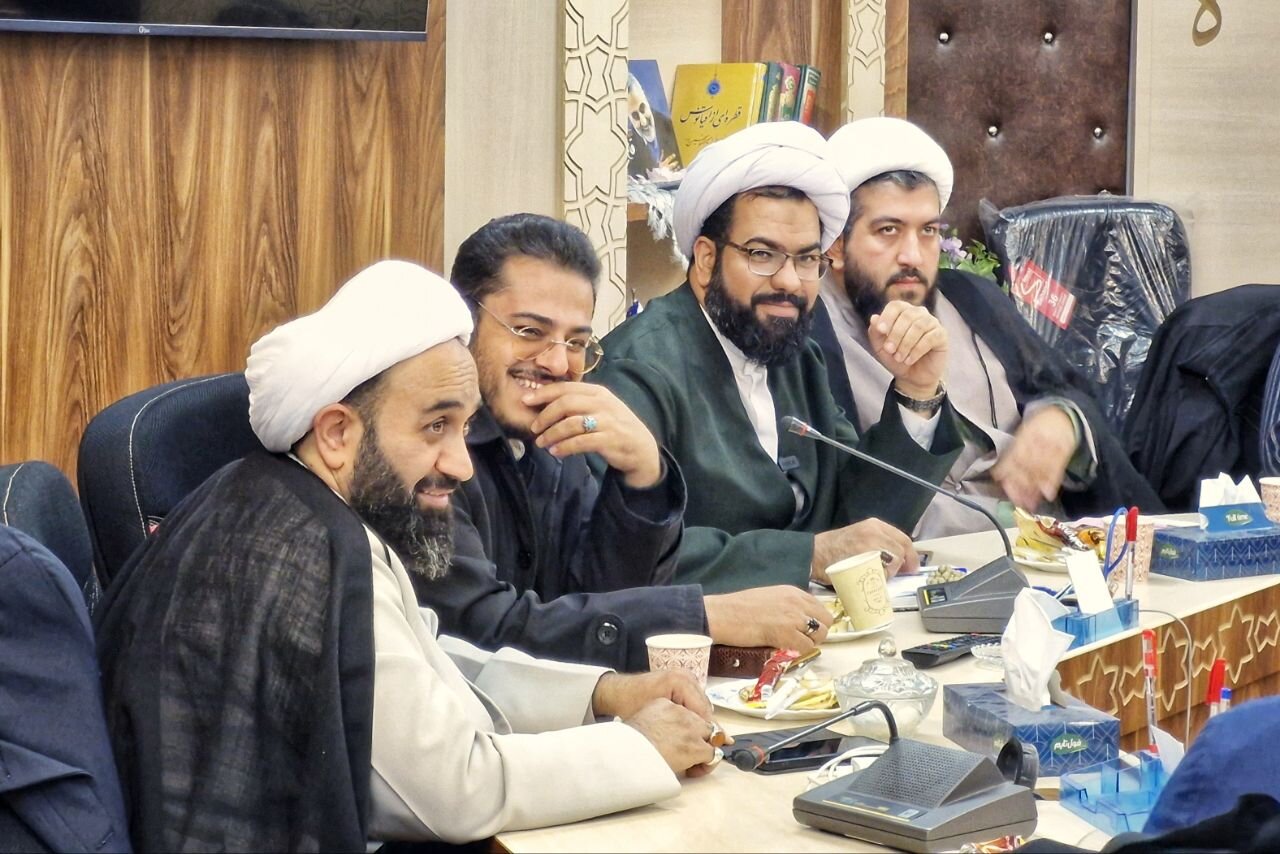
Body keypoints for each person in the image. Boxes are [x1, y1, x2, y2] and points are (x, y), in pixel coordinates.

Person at [94, 261, 724, 851]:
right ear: (337, 432)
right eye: (434, 427)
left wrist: (602, 694)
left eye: (463, 427)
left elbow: (427, 667)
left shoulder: (301, 505)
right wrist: (638, 748)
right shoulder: (307, 551)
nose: (461, 464)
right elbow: (454, 789)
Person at [413, 214, 833, 668]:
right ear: (465, 325)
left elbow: (603, 600)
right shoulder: (425, 454)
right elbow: (484, 631)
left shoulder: (555, 441)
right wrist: (701, 616)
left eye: (576, 342)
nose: (558, 364)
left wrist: (643, 479)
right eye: (530, 332)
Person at [592, 121, 964, 594]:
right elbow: (625, 552)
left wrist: (916, 391)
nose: (789, 281)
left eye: (807, 259)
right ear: (706, 260)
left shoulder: (795, 356)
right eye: (763, 255)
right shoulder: (638, 369)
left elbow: (858, 521)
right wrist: (809, 556)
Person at [816, 117, 1161, 537]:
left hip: (1051, 546)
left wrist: (1061, 420)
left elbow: (1065, 388)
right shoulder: (810, 337)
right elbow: (833, 504)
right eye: (888, 231)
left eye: (928, 231)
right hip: (925, 562)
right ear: (836, 245)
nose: (913, 255)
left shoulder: (971, 297)